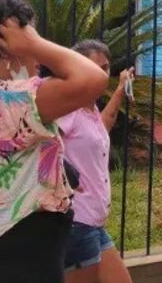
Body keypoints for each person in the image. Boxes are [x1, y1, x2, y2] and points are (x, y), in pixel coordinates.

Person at [0, 0, 109, 283]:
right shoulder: (3, 100)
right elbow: (93, 79)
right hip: (13, 261)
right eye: (28, 34)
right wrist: (36, 44)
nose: (36, 53)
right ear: (4, 47)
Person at [57, 40, 134, 283]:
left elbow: (103, 127)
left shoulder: (89, 111)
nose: (101, 75)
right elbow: (42, 146)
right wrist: (61, 177)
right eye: (94, 68)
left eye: (105, 68)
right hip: (77, 221)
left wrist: (120, 89)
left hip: (93, 224)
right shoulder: (69, 110)